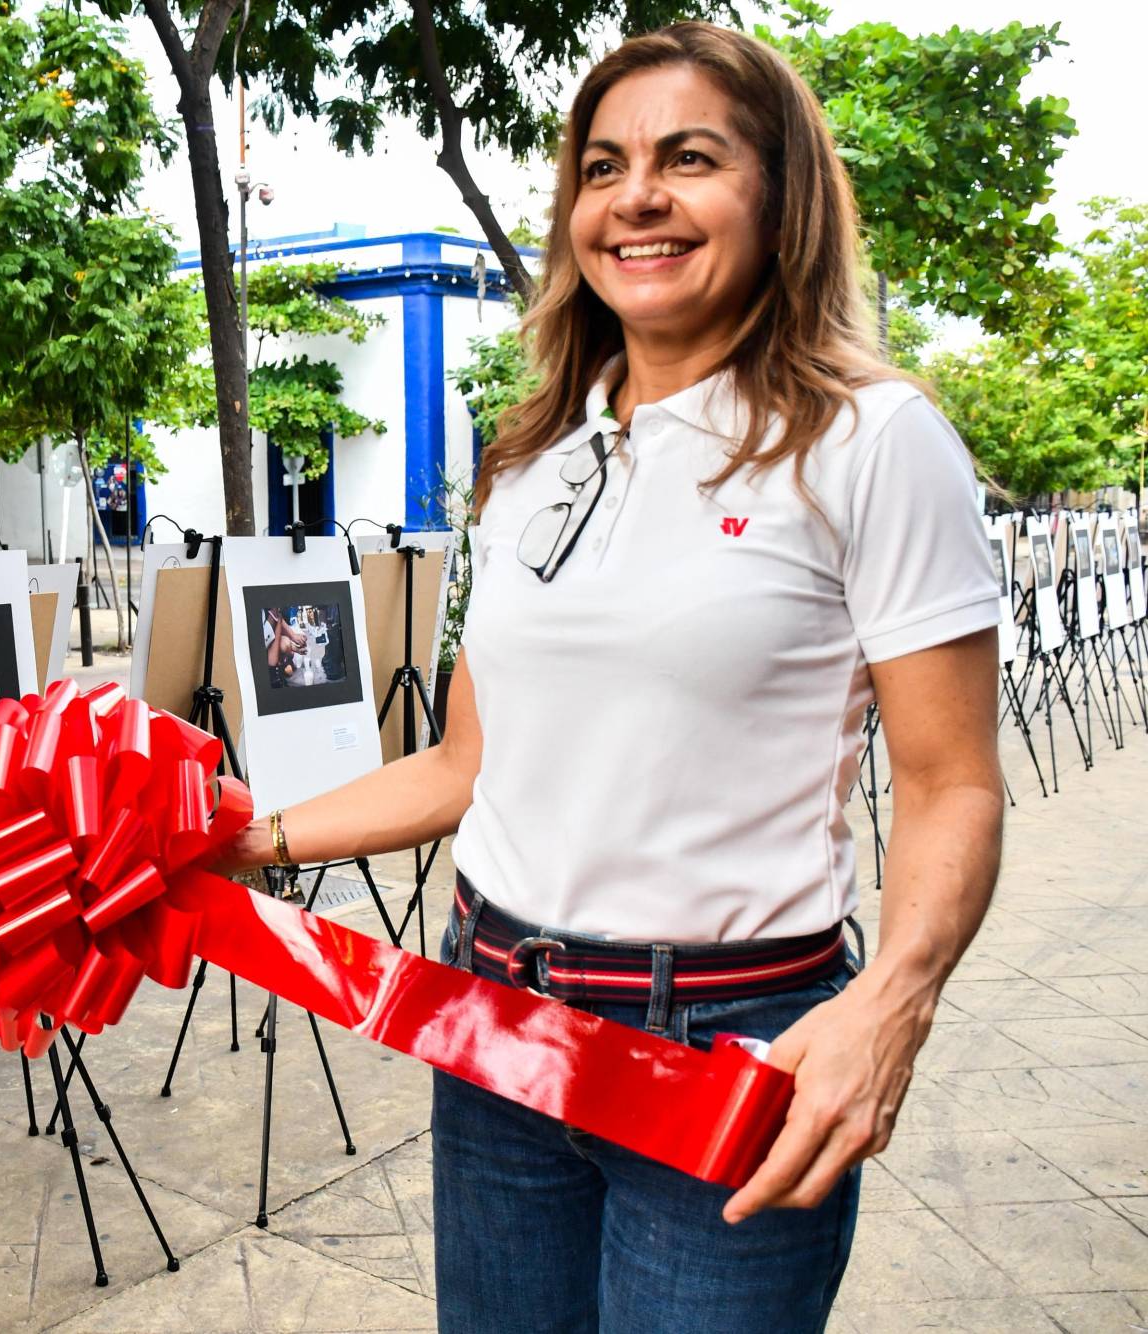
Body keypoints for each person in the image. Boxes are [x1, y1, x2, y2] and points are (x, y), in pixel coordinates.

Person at [219, 23, 1002, 1333]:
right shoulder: (531, 460)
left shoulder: (870, 438)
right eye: (602, 166)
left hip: (729, 1048)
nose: (636, 196)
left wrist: (892, 1002)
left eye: (689, 159)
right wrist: (254, 836)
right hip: (492, 1025)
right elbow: (467, 765)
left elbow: (953, 780)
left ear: (780, 196)